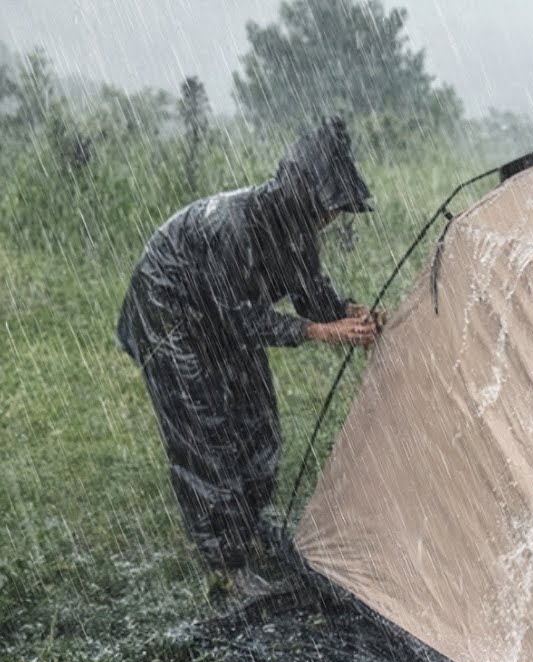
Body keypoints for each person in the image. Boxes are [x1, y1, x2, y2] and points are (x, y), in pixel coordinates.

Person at [117, 118, 383, 597]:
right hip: (169, 312)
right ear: (302, 197)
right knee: (205, 433)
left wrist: (349, 313)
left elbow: (311, 295)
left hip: (225, 319)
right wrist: (318, 332)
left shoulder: (299, 233)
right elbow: (238, 318)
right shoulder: (232, 226)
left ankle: (244, 523)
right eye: (328, 207)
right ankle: (227, 564)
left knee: (260, 427)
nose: (331, 218)